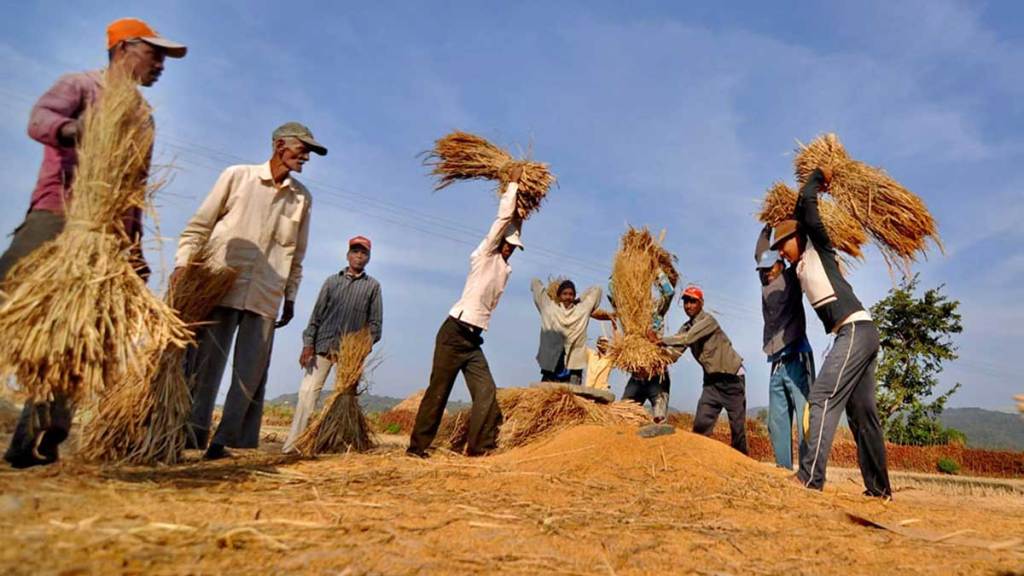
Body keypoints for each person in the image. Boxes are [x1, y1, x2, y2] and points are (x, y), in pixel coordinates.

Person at [2, 18, 187, 469]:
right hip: (59, 214)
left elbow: (135, 187)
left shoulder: (143, 116)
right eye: (155, 53)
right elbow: (40, 119)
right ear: (124, 48)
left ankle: (39, 433)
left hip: (107, 234)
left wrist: (135, 248)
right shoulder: (81, 85)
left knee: (82, 329)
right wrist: (75, 132)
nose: (161, 64)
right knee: (11, 294)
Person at [176, 122, 326, 460]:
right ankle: (190, 436)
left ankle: (223, 443)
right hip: (219, 284)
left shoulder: (302, 198)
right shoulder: (237, 177)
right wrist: (183, 265)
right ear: (278, 146)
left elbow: (296, 253)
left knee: (251, 372)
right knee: (204, 365)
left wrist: (290, 296)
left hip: (266, 293)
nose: (306, 157)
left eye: (308, 152)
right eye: (302, 149)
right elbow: (200, 225)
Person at [771, 167, 891, 497]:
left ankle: (810, 478)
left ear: (799, 237)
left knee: (822, 397)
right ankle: (880, 491)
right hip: (860, 332)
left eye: (783, 243)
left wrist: (817, 176)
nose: (780, 251)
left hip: (854, 329)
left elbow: (806, 205)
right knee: (862, 413)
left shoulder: (816, 249)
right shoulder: (798, 268)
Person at [407, 168, 525, 458]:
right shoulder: (484, 255)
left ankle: (479, 447)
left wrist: (522, 207)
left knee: (486, 393)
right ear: (500, 242)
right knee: (439, 392)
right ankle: (417, 448)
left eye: (514, 247)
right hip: (453, 333)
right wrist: (512, 186)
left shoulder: (505, 270)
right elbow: (501, 222)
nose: (510, 250)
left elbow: (512, 223)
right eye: (508, 245)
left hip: (473, 342)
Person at [282, 236, 383, 453]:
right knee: (307, 394)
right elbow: (316, 316)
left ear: (368, 258)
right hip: (323, 346)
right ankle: (293, 446)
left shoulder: (372, 287)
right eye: (355, 251)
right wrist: (308, 344)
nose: (358, 255)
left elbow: (375, 325)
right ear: (348, 255)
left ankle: (337, 444)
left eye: (363, 253)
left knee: (343, 401)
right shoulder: (331, 282)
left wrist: (362, 347)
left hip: (350, 357)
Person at [659, 285, 748, 454]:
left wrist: (660, 340)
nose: (688, 306)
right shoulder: (685, 327)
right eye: (685, 302)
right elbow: (675, 354)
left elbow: (687, 338)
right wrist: (655, 357)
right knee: (701, 426)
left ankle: (745, 468)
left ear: (701, 303)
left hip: (732, 379)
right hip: (711, 383)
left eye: (693, 301)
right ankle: (698, 462)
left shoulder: (708, 321)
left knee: (738, 430)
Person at [755, 226, 814, 470]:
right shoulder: (765, 286)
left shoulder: (791, 277)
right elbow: (759, 252)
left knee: (805, 419)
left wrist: (793, 224)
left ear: (781, 263)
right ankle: (783, 471)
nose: (766, 273)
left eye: (771, 268)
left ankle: (809, 473)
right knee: (776, 421)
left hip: (797, 356)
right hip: (776, 363)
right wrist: (766, 229)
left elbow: (804, 249)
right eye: (763, 270)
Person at [617, 270, 675, 423]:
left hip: (657, 376)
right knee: (623, 417)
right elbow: (613, 292)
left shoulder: (656, 310)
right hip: (636, 378)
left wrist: (654, 269)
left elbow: (669, 292)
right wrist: (622, 275)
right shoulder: (629, 316)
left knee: (659, 419)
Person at [531, 278, 603, 384]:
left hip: (573, 370)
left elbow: (597, 289)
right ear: (559, 296)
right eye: (564, 294)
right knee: (547, 398)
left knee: (571, 399)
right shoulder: (549, 309)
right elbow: (535, 282)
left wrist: (579, 300)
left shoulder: (581, 311)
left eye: (571, 294)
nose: (568, 297)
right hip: (551, 367)